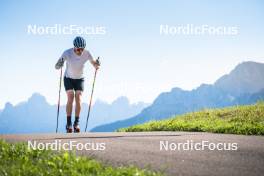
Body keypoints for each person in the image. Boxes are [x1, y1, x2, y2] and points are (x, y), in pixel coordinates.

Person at [55, 36, 100, 133]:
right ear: (74, 47)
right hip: (68, 78)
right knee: (70, 97)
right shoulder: (67, 53)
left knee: (79, 98)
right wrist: (60, 64)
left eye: (82, 49)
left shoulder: (87, 53)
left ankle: (76, 123)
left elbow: (94, 64)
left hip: (80, 79)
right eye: (78, 49)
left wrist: (97, 65)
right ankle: (68, 123)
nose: (80, 51)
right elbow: (56, 66)